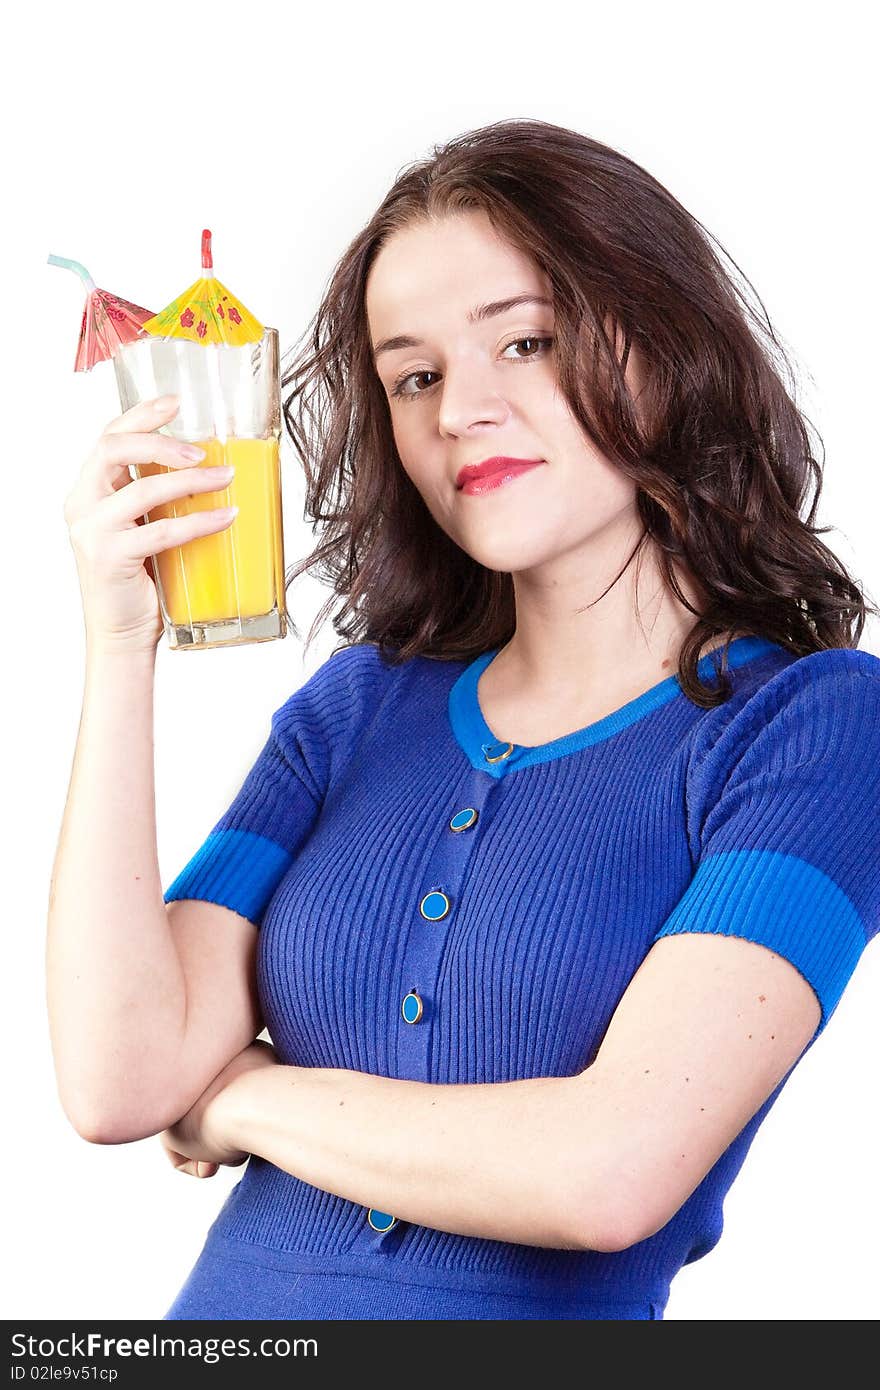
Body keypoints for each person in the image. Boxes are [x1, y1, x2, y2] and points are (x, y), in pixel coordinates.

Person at [48, 117, 880, 1322]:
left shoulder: (811, 730)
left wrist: (239, 1100)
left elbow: (606, 1172)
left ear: (661, 343)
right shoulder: (354, 709)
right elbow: (120, 1077)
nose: (458, 412)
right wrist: (121, 647)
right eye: (416, 375)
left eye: (525, 343)